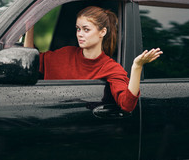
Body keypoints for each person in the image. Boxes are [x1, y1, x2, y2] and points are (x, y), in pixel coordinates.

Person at [24, 6, 162, 112]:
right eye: (78, 29)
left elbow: (127, 105)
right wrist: (29, 26)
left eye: (86, 29)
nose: (80, 34)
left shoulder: (110, 67)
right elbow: (28, 61)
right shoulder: (64, 54)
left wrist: (137, 67)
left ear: (102, 32)